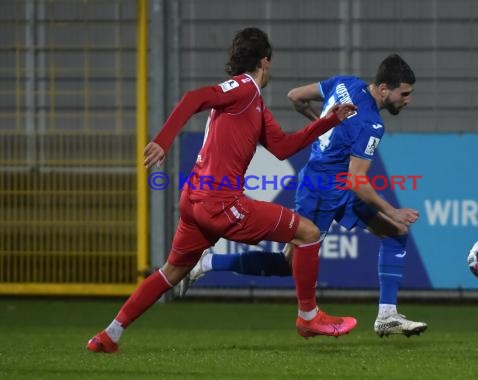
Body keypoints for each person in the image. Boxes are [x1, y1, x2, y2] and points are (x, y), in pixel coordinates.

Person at [86, 27, 359, 353]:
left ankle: (109, 334)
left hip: (193, 201)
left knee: (170, 272)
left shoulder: (254, 105)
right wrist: (163, 139)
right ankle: (308, 317)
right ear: (265, 62)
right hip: (220, 202)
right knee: (309, 233)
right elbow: (194, 98)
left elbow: (284, 147)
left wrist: (328, 121)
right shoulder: (244, 87)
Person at [181, 54, 428, 338]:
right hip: (321, 190)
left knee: (396, 233)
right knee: (290, 264)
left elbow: (295, 96)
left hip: (335, 186)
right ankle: (208, 262)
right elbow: (357, 180)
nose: (407, 100)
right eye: (404, 93)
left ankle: (387, 315)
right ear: (384, 88)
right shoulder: (371, 124)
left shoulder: (345, 83)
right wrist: (393, 210)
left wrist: (324, 126)